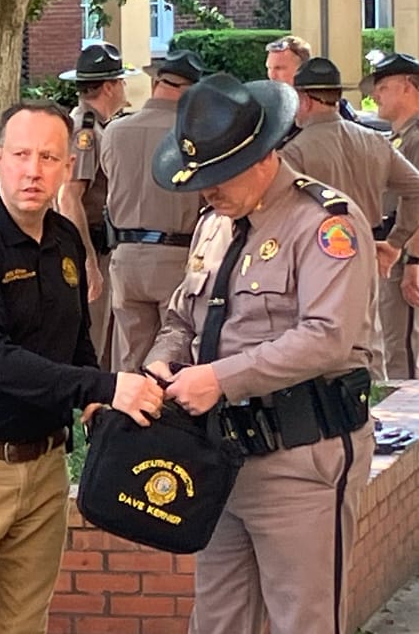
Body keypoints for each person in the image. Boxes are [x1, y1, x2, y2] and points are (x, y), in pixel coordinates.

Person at [0, 99, 163, 634]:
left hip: (46, 468)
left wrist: (96, 401)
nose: (33, 170)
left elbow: (76, 345)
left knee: (24, 625)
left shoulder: (67, 240)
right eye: (21, 154)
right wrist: (106, 385)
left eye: (49, 157)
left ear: (69, 167)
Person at [146, 72, 377, 634]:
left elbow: (326, 335)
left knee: (305, 620)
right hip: (221, 459)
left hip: (299, 461)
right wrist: (164, 358)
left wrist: (219, 379)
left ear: (262, 156)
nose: (207, 190)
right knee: (219, 620)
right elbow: (182, 316)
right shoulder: (214, 223)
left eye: (220, 176)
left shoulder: (324, 223)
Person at [280, 56, 419, 380]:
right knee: (373, 344)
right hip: (367, 249)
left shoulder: (295, 152)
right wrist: (395, 242)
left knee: (322, 347)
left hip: (316, 255)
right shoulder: (372, 140)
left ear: (303, 99)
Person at [100, 49, 205, 371]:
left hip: (126, 255)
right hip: (176, 255)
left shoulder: (115, 131)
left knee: (130, 360)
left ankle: (128, 421)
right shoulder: (194, 137)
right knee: (173, 359)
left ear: (157, 82)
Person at [58, 42, 138, 369]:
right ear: (108, 86)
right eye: (120, 81)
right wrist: (88, 260)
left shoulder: (99, 126)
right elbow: (68, 196)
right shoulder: (85, 132)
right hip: (89, 245)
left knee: (105, 343)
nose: (124, 88)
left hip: (101, 244)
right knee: (92, 341)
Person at [362, 53, 419, 377]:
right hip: (396, 251)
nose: (375, 95)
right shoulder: (398, 137)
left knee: (405, 352)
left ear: (409, 87)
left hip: (407, 255)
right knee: (395, 347)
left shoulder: (416, 137)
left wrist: (414, 262)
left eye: (383, 86)